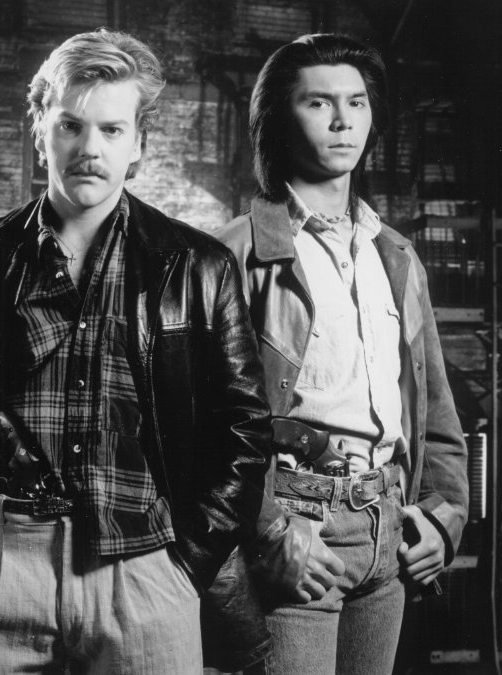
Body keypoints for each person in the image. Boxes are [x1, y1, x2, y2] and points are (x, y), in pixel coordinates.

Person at [0, 28, 272, 674]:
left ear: (139, 143)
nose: (89, 148)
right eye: (70, 125)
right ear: (40, 131)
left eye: (112, 130)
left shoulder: (198, 266)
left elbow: (245, 428)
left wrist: (188, 563)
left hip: (145, 571)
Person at [204, 33, 469, 675]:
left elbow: (434, 409)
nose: (343, 120)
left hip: (388, 529)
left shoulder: (395, 255)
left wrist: (443, 518)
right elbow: (202, 423)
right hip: (299, 529)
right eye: (319, 102)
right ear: (278, 118)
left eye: (357, 102)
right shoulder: (231, 254)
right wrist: (270, 529)